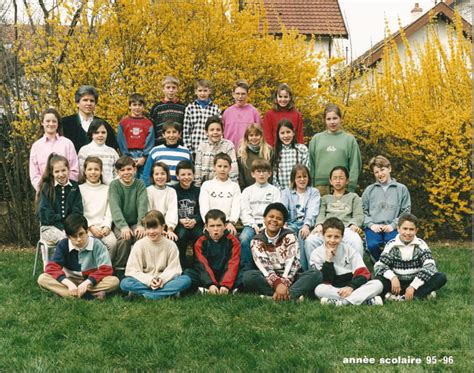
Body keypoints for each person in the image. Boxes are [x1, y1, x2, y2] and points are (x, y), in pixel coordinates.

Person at [242, 203, 322, 301]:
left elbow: (293, 263)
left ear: (284, 223)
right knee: (248, 276)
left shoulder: (290, 236)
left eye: (279, 218)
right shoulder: (256, 241)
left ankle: (277, 297)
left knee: (316, 274)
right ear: (264, 218)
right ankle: (289, 296)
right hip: (269, 278)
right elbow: (264, 266)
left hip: (290, 277)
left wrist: (283, 283)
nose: (274, 220)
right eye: (271, 216)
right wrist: (277, 284)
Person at [37, 213, 119, 299]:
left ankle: (70, 294)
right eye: (74, 236)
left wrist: (87, 282)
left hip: (91, 283)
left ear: (87, 231)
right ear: (68, 236)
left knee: (114, 281)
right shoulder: (63, 245)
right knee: (42, 278)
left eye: (81, 234)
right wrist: (68, 283)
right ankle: (89, 296)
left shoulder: (97, 244)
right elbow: (51, 268)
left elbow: (106, 269)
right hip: (70, 280)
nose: (79, 239)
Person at [310, 217, 383, 306]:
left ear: (342, 236)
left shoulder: (350, 250)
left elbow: (364, 273)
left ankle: (341, 302)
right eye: (329, 236)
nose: (332, 240)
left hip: (352, 286)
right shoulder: (316, 254)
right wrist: (328, 260)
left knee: (378, 284)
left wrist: (350, 287)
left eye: (336, 237)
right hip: (333, 288)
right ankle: (363, 300)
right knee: (319, 289)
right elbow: (326, 280)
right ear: (323, 235)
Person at [373, 213, 447, 301]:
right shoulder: (391, 245)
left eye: (411, 229)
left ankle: (404, 297)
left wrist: (413, 286)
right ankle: (421, 295)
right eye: (405, 229)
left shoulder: (421, 245)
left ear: (416, 230)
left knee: (440, 277)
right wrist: (393, 277)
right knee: (378, 279)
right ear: (398, 229)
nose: (408, 233)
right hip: (397, 282)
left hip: (416, 281)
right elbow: (379, 266)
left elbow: (430, 266)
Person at [120, 210, 192, 299]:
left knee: (185, 280)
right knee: (125, 283)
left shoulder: (171, 245)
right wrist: (149, 280)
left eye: (154, 228)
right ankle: (167, 293)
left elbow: (174, 269)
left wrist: (161, 279)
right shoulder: (139, 245)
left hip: (164, 281)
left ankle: (146, 295)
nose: (151, 232)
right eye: (148, 228)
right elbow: (132, 270)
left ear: (163, 227)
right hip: (144, 280)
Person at [305, 166, 364, 262]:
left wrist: (354, 224)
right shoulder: (325, 198)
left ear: (347, 181)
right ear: (330, 181)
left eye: (341, 178)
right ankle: (315, 271)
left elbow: (359, 215)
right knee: (310, 241)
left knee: (356, 241)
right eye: (335, 178)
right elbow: (321, 214)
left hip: (346, 228)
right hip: (327, 228)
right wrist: (319, 224)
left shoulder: (353, 197)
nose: (338, 181)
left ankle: (358, 271)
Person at [36, 154, 83, 266]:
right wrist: (63, 221)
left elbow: (77, 211)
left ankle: (77, 268)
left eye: (63, 170)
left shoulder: (74, 187)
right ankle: (57, 269)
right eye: (57, 171)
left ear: (69, 169)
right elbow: (45, 214)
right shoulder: (47, 187)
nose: (61, 174)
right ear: (52, 172)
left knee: (81, 239)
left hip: (70, 227)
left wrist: (68, 226)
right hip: (49, 228)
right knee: (65, 240)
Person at [362, 155, 411, 262]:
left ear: (389, 169)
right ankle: (378, 261)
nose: (380, 174)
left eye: (382, 170)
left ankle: (391, 263)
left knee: (394, 245)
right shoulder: (369, 190)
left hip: (393, 226)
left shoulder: (401, 189)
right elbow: (363, 211)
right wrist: (371, 225)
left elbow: (405, 212)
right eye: (376, 172)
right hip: (374, 227)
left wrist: (393, 225)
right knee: (372, 245)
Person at [308, 103, 361, 196]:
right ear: (324, 120)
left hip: (342, 186)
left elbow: (355, 165)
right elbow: (310, 163)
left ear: (340, 119)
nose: (332, 122)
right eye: (328, 119)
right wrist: (311, 186)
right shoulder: (316, 139)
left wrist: (350, 187)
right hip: (319, 187)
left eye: (335, 118)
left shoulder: (349, 139)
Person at [184, 209, 241, 294]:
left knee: (244, 275)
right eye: (212, 226)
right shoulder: (200, 242)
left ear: (225, 226)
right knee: (188, 273)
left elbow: (233, 263)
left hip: (225, 273)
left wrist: (225, 285)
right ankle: (209, 288)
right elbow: (201, 265)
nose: (215, 229)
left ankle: (226, 288)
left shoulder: (233, 241)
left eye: (219, 225)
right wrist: (210, 284)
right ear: (206, 227)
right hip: (208, 275)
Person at [239, 159, 281, 271]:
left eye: (264, 171)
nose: (261, 174)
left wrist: (265, 225)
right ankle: (246, 270)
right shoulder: (247, 191)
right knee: (244, 238)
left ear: (269, 173)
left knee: (272, 239)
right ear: (253, 174)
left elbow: (275, 212)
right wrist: (253, 225)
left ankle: (270, 269)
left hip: (269, 224)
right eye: (258, 171)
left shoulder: (274, 191)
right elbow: (244, 211)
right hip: (251, 225)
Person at [108, 156, 148, 272]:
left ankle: (138, 267)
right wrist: (123, 226)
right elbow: (115, 208)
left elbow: (142, 205)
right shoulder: (114, 185)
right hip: (120, 223)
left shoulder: (140, 184)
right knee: (124, 238)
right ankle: (120, 267)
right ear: (118, 172)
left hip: (136, 222)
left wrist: (141, 224)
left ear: (135, 170)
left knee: (141, 236)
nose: (126, 173)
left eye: (129, 169)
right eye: (122, 170)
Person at [281, 164, 320, 271]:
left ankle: (306, 271)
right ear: (294, 179)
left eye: (305, 176)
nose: (302, 180)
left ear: (309, 178)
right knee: (286, 235)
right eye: (299, 177)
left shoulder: (314, 192)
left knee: (302, 235)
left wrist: (306, 225)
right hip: (291, 224)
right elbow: (282, 209)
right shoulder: (286, 192)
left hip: (307, 224)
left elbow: (313, 210)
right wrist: (283, 224)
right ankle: (288, 271)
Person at [29, 108, 79, 191]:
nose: (51, 124)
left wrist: (65, 187)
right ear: (42, 123)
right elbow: (34, 173)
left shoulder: (67, 143)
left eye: (54, 121)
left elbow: (74, 170)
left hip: (66, 191)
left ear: (58, 123)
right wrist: (42, 189)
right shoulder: (36, 146)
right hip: (45, 192)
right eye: (48, 121)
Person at [62, 85, 118, 153]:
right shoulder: (65, 123)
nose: (89, 103)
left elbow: (112, 147)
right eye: (85, 100)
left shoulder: (104, 125)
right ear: (77, 103)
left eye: (92, 101)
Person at [78, 156, 117, 252]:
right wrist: (90, 226)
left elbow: (109, 210)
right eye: (90, 169)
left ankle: (106, 266)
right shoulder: (79, 189)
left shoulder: (107, 189)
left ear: (101, 171)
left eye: (96, 169)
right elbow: (79, 211)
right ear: (85, 172)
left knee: (112, 242)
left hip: (103, 228)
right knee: (88, 243)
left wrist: (107, 226)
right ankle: (90, 267)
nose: (93, 172)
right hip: (86, 228)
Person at [199, 153, 241, 236]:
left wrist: (232, 222)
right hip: (210, 222)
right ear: (214, 167)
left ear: (230, 168)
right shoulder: (207, 185)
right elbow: (204, 206)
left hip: (227, 223)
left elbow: (236, 206)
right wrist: (207, 223)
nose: (222, 169)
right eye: (219, 166)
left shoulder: (234, 186)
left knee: (230, 237)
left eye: (225, 166)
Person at [172, 160, 204, 269]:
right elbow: (171, 209)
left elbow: (202, 210)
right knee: (181, 236)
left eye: (189, 174)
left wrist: (195, 220)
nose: (186, 177)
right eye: (183, 174)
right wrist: (180, 219)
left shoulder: (198, 191)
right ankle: (182, 265)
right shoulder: (173, 190)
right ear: (177, 176)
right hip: (180, 223)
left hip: (195, 223)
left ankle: (198, 265)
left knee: (200, 237)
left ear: (194, 175)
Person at [141, 120, 191, 186]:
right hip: (160, 187)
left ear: (179, 134)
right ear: (163, 135)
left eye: (174, 132)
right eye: (168, 132)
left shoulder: (186, 152)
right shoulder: (155, 151)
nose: (171, 135)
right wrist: (148, 187)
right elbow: (146, 173)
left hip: (180, 188)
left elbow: (190, 172)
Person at [117, 93, 155, 178]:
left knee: (144, 180)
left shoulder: (148, 123)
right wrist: (127, 157)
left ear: (143, 107)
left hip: (143, 155)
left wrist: (144, 157)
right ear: (130, 106)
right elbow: (121, 140)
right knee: (129, 179)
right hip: (128, 154)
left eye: (140, 105)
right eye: (134, 105)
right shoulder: (124, 122)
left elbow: (150, 141)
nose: (137, 107)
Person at [194, 115, 238, 186]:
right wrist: (197, 186)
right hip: (206, 186)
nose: (215, 132)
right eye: (212, 130)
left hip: (224, 185)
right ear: (206, 132)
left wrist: (233, 185)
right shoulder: (202, 146)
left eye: (218, 130)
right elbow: (197, 167)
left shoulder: (228, 145)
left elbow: (233, 167)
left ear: (222, 131)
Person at [182, 79, 221, 157]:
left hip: (211, 149)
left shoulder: (215, 109)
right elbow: (186, 131)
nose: (202, 93)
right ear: (195, 91)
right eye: (200, 91)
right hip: (195, 149)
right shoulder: (190, 108)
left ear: (209, 91)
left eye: (205, 91)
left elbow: (220, 129)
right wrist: (189, 150)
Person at [78, 119, 120, 185]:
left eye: (103, 132)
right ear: (91, 134)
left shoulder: (112, 152)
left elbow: (118, 172)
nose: (100, 135)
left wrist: (113, 184)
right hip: (90, 188)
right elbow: (81, 172)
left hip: (109, 188)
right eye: (96, 132)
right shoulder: (84, 150)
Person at [222, 79, 261, 149]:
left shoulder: (254, 112)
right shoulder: (227, 112)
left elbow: (260, 134)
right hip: (229, 151)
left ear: (247, 94)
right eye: (237, 93)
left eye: (243, 94)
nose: (240, 96)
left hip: (248, 152)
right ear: (233, 94)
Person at [272, 119, 309, 190]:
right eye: (282, 133)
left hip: (300, 190)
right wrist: (281, 192)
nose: (286, 136)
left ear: (293, 132)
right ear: (278, 135)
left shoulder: (302, 149)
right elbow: (274, 177)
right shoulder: (275, 152)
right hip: (281, 192)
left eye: (288, 132)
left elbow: (306, 171)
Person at [149, 76, 186, 146]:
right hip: (160, 144)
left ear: (177, 89)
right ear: (163, 89)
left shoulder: (183, 107)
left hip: (178, 144)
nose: (171, 90)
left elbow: (185, 127)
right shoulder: (156, 107)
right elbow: (152, 127)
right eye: (168, 87)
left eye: (173, 87)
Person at [146, 162, 178, 241]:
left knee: (172, 238)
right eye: (156, 174)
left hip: (167, 226)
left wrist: (170, 229)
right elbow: (148, 211)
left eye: (163, 174)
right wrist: (159, 229)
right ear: (152, 176)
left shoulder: (171, 191)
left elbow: (172, 211)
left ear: (167, 175)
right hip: (152, 225)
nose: (160, 177)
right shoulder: (148, 191)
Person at [237, 123, 273, 190]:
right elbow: (241, 175)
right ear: (247, 137)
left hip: (266, 189)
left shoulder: (268, 151)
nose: (254, 138)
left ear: (261, 136)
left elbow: (272, 171)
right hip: (247, 190)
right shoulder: (242, 153)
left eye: (257, 135)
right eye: (251, 135)